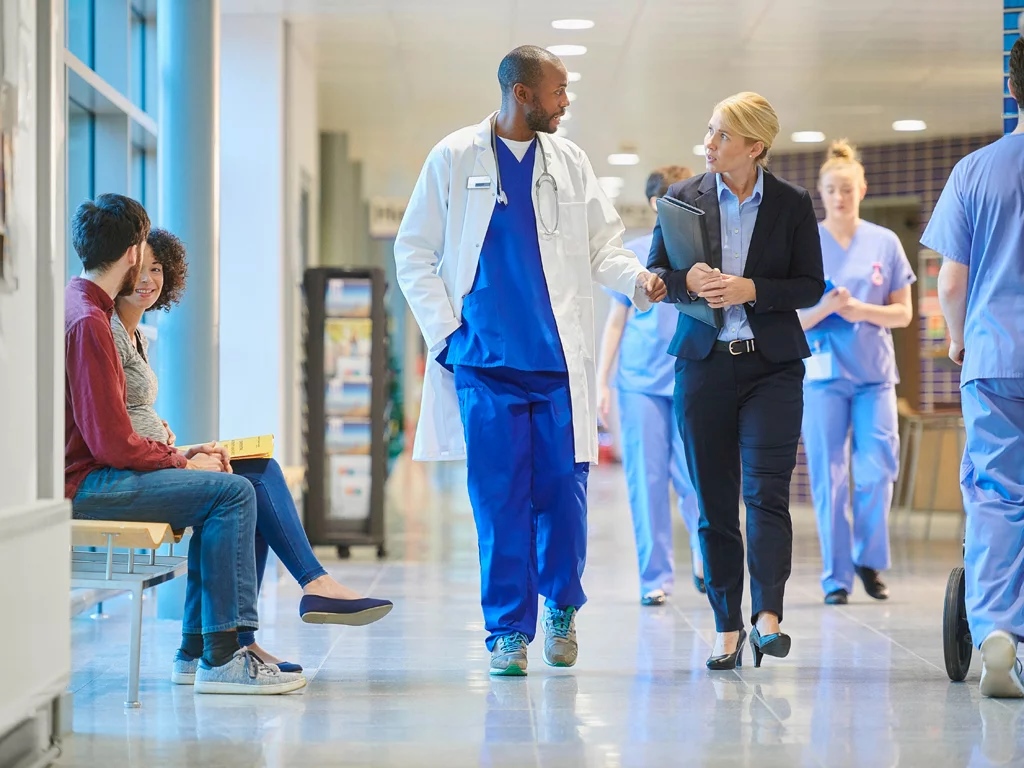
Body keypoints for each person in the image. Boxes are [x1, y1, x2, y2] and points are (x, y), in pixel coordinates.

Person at [394, 45, 666, 676]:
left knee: (563, 500)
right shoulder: (455, 156)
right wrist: (448, 337)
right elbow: (414, 252)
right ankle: (505, 633)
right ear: (521, 92)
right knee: (499, 502)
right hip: (484, 366)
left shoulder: (569, 162)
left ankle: (561, 607)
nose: (566, 101)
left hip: (555, 366)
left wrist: (639, 282)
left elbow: (604, 248)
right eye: (558, 90)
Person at [111, 228, 394, 680]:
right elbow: (111, 431)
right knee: (243, 488)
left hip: (153, 459)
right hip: (131, 473)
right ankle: (288, 603)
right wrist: (182, 459)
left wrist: (184, 447)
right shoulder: (104, 329)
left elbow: (130, 417)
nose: (150, 280)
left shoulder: (137, 334)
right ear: (122, 271)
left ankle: (201, 647)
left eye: (158, 269)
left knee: (257, 470)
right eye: (141, 270)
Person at [65, 194, 305, 695]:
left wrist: (182, 456)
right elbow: (110, 443)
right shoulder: (89, 321)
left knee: (242, 477)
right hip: (90, 484)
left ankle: (199, 650)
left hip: (98, 473)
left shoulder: (85, 307)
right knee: (233, 492)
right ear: (133, 252)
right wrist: (182, 458)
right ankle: (222, 657)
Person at [648, 92, 825, 670]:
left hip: (771, 367)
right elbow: (656, 276)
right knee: (715, 503)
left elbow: (809, 286)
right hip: (703, 367)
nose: (709, 144)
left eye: (722, 135)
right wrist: (686, 280)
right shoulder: (681, 199)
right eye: (709, 131)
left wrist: (754, 290)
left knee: (766, 493)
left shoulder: (793, 204)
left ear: (755, 146)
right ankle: (727, 625)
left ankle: (767, 617)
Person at [921, 37, 1024, 699]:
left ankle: (996, 632)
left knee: (995, 496)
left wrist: (959, 340)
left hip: (994, 358)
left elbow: (950, 283)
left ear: (1013, 90)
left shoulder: (976, 170)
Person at [798, 140, 916, 606]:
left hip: (874, 377)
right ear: (821, 194)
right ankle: (836, 577)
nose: (840, 197)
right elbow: (791, 319)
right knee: (830, 478)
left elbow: (903, 314)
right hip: (822, 378)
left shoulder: (883, 242)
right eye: (831, 190)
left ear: (862, 188)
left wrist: (859, 309)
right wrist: (825, 307)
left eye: (847, 188)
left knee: (876, 471)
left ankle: (869, 558)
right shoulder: (808, 244)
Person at [596, 165, 705, 606]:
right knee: (647, 480)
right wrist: (602, 382)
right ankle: (654, 579)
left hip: (691, 379)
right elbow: (616, 322)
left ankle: (705, 561)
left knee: (697, 479)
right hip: (640, 383)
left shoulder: (702, 253)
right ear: (656, 204)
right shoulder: (634, 255)